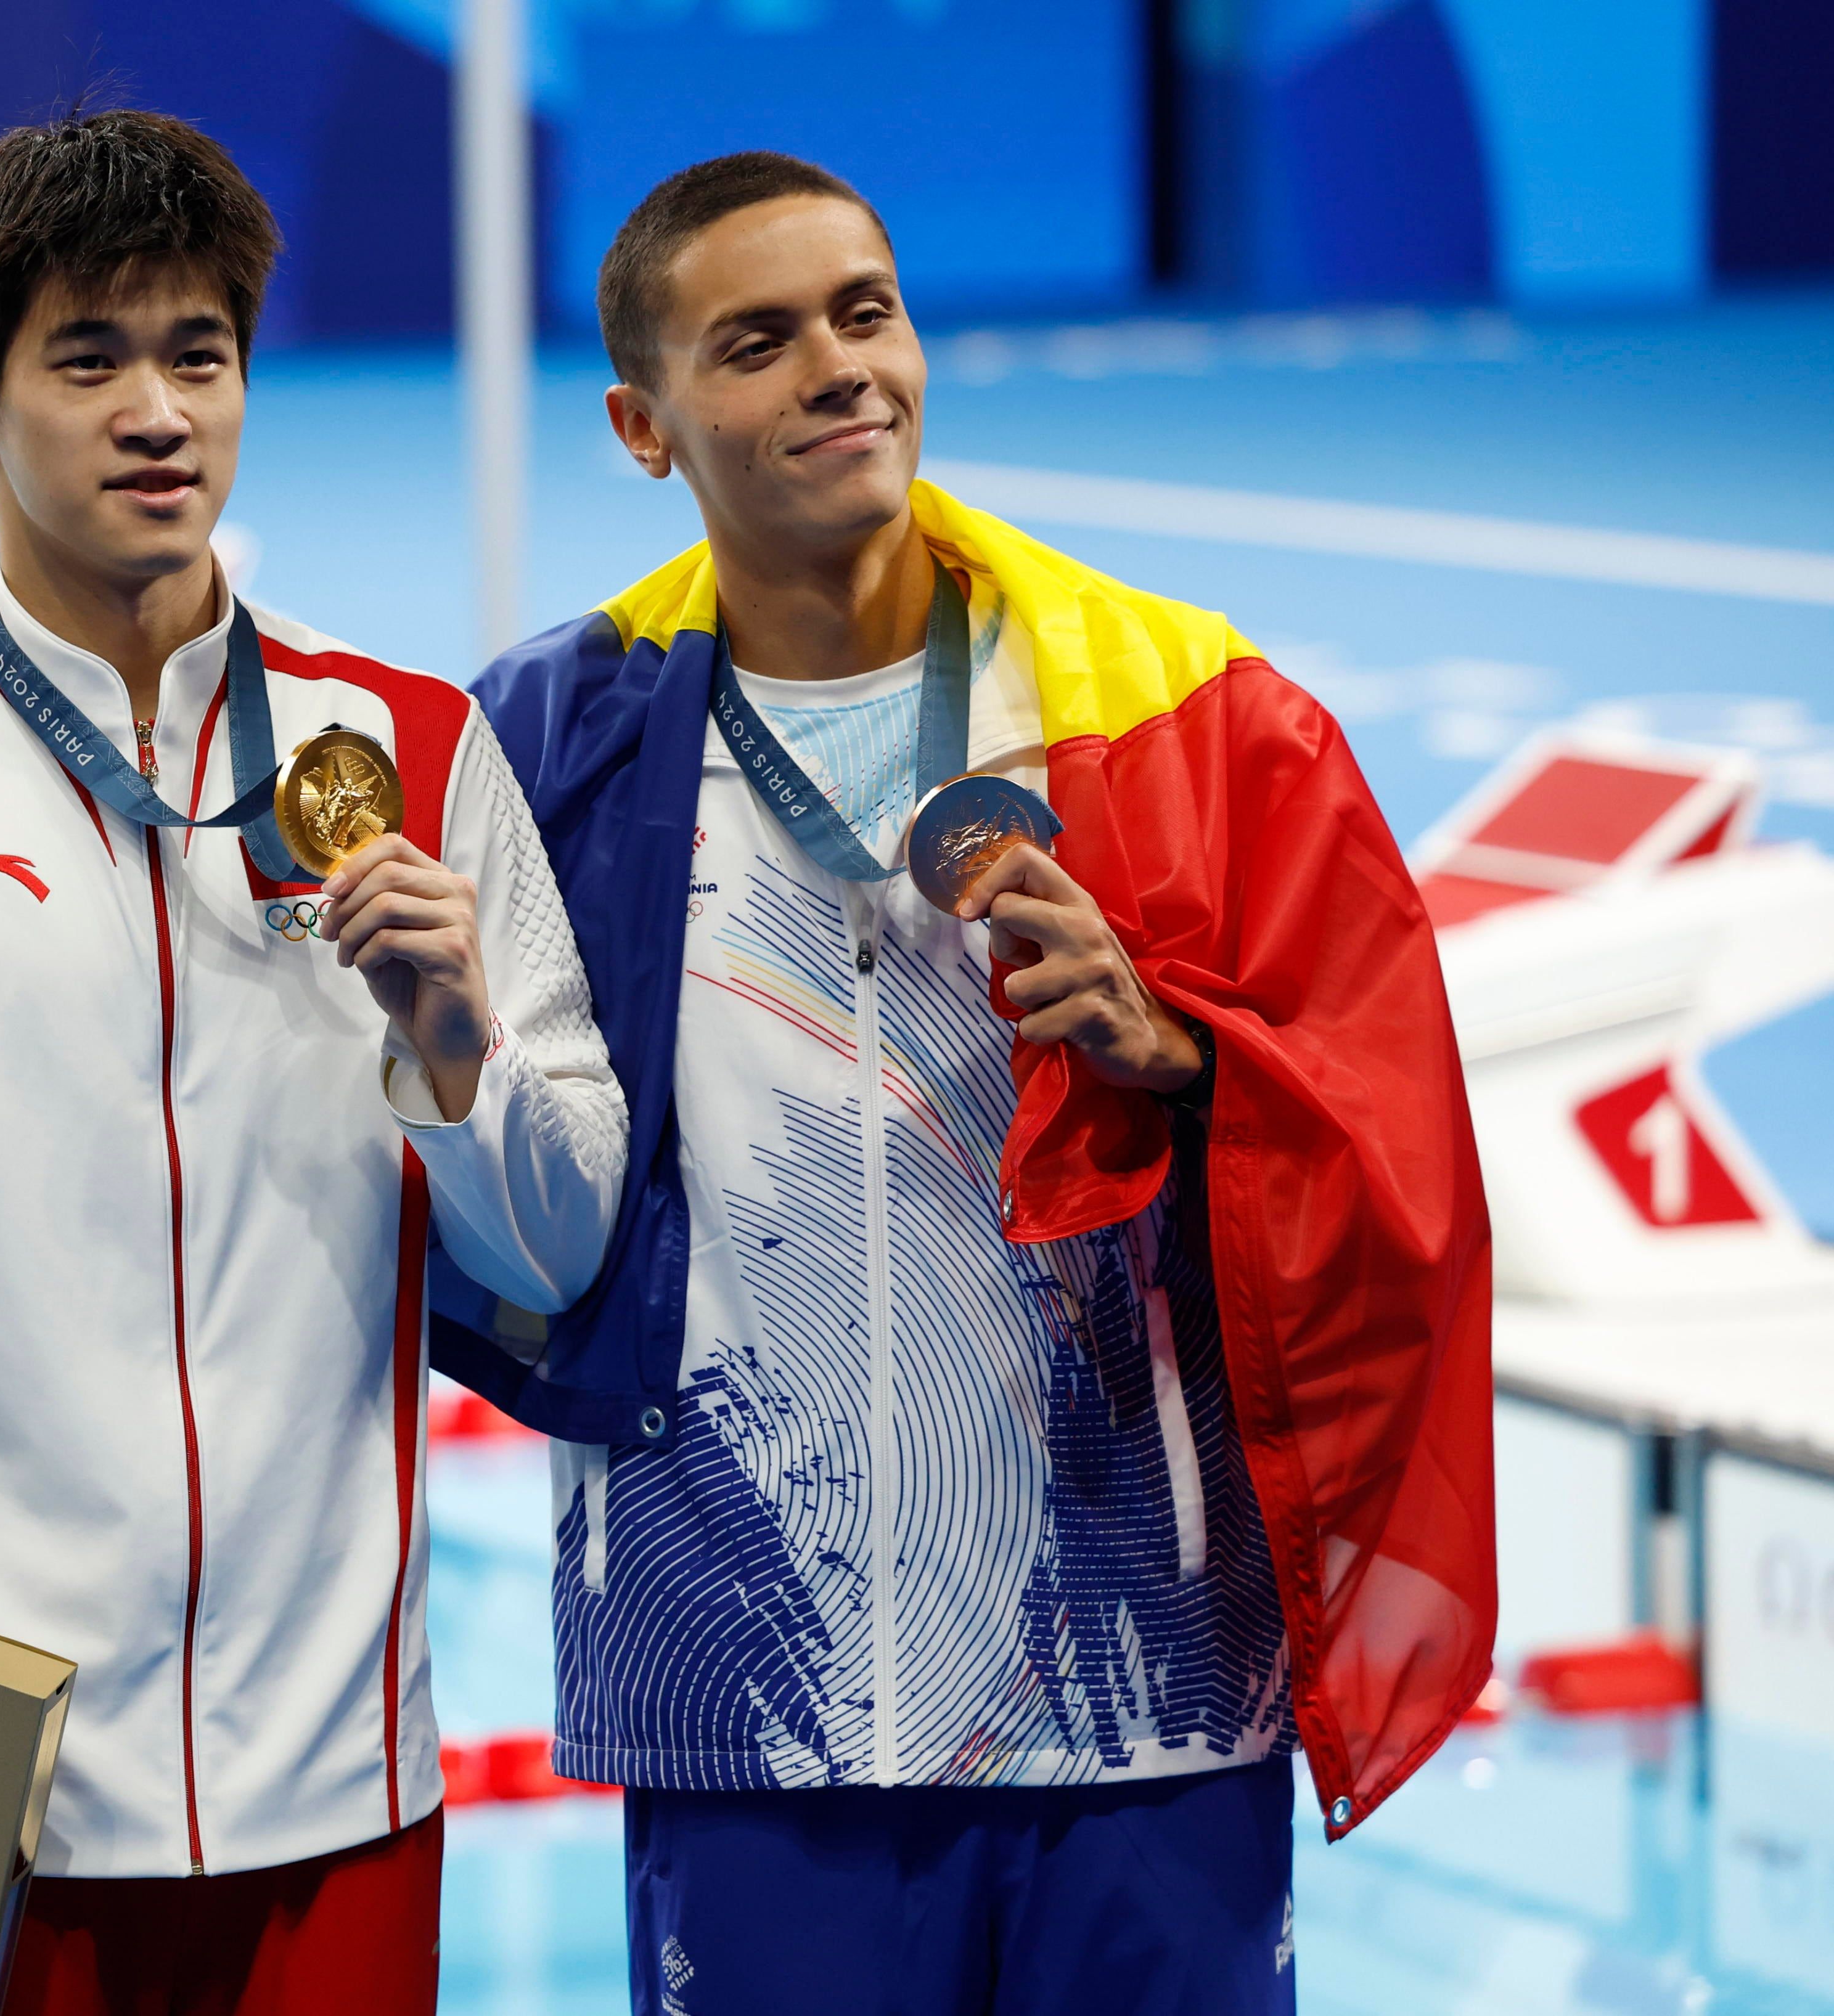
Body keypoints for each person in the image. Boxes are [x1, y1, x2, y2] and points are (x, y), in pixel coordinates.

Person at [450, 153, 1496, 2013]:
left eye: (868, 313)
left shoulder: (1190, 708)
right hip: (743, 1690)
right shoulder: (542, 739)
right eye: (759, 344)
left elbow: (1399, 1132)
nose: (842, 371)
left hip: (1144, 1682)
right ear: (643, 423)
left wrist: (1186, 1064)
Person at [0, 109, 626, 2016]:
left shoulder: (415, 748)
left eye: (197, 355)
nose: (158, 413)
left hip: (339, 1763)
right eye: (89, 359)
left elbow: (556, 1253)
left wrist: (454, 1049)